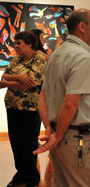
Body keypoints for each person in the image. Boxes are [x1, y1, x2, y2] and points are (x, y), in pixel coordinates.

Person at [33, 8, 90, 187]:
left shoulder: (55, 55)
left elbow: (42, 97)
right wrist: (57, 136)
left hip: (61, 137)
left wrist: (50, 129)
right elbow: (70, 103)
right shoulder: (82, 57)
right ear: (82, 27)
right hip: (76, 139)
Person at [0, 31, 47, 187]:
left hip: (30, 109)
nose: (16, 46)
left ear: (29, 44)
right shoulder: (16, 59)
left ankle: (31, 179)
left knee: (28, 144)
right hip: (12, 106)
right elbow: (2, 79)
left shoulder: (39, 58)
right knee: (16, 143)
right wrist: (19, 77)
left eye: (19, 43)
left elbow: (32, 82)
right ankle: (21, 176)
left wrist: (9, 80)